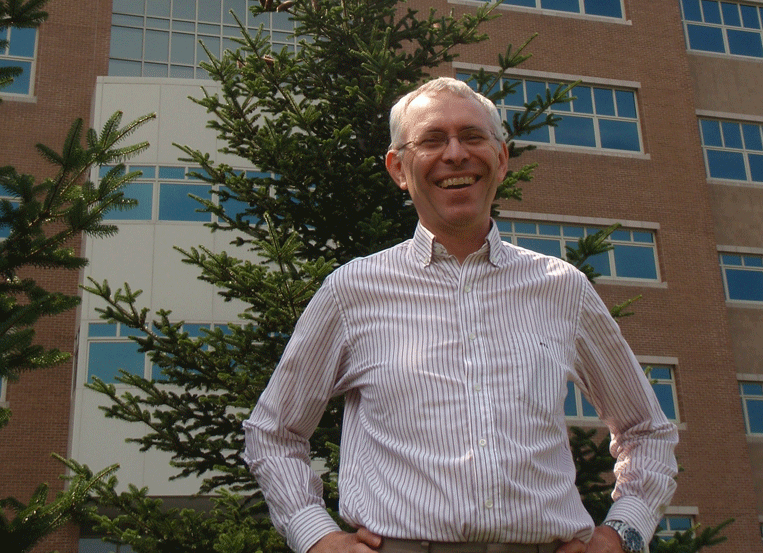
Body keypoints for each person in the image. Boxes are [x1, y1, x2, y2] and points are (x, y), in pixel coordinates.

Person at [244, 78, 678, 553]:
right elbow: (274, 432)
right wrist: (316, 537)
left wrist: (621, 536)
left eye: (473, 137)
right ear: (398, 168)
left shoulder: (562, 289)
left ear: (501, 159)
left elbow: (647, 431)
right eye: (432, 140)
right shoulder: (353, 291)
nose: (455, 154)